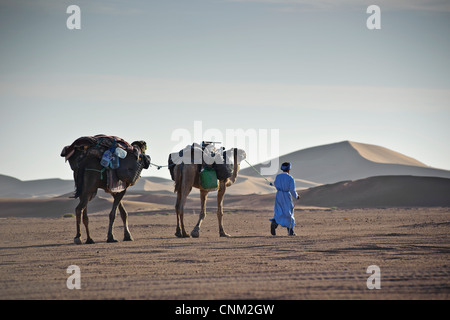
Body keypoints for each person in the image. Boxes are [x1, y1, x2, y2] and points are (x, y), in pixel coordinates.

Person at [270, 162, 300, 236]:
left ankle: (274, 223)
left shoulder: (278, 176)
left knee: (278, 211)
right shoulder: (290, 178)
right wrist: (296, 196)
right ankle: (290, 231)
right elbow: (292, 190)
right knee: (288, 213)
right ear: (289, 169)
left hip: (279, 196)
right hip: (287, 196)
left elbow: (276, 185)